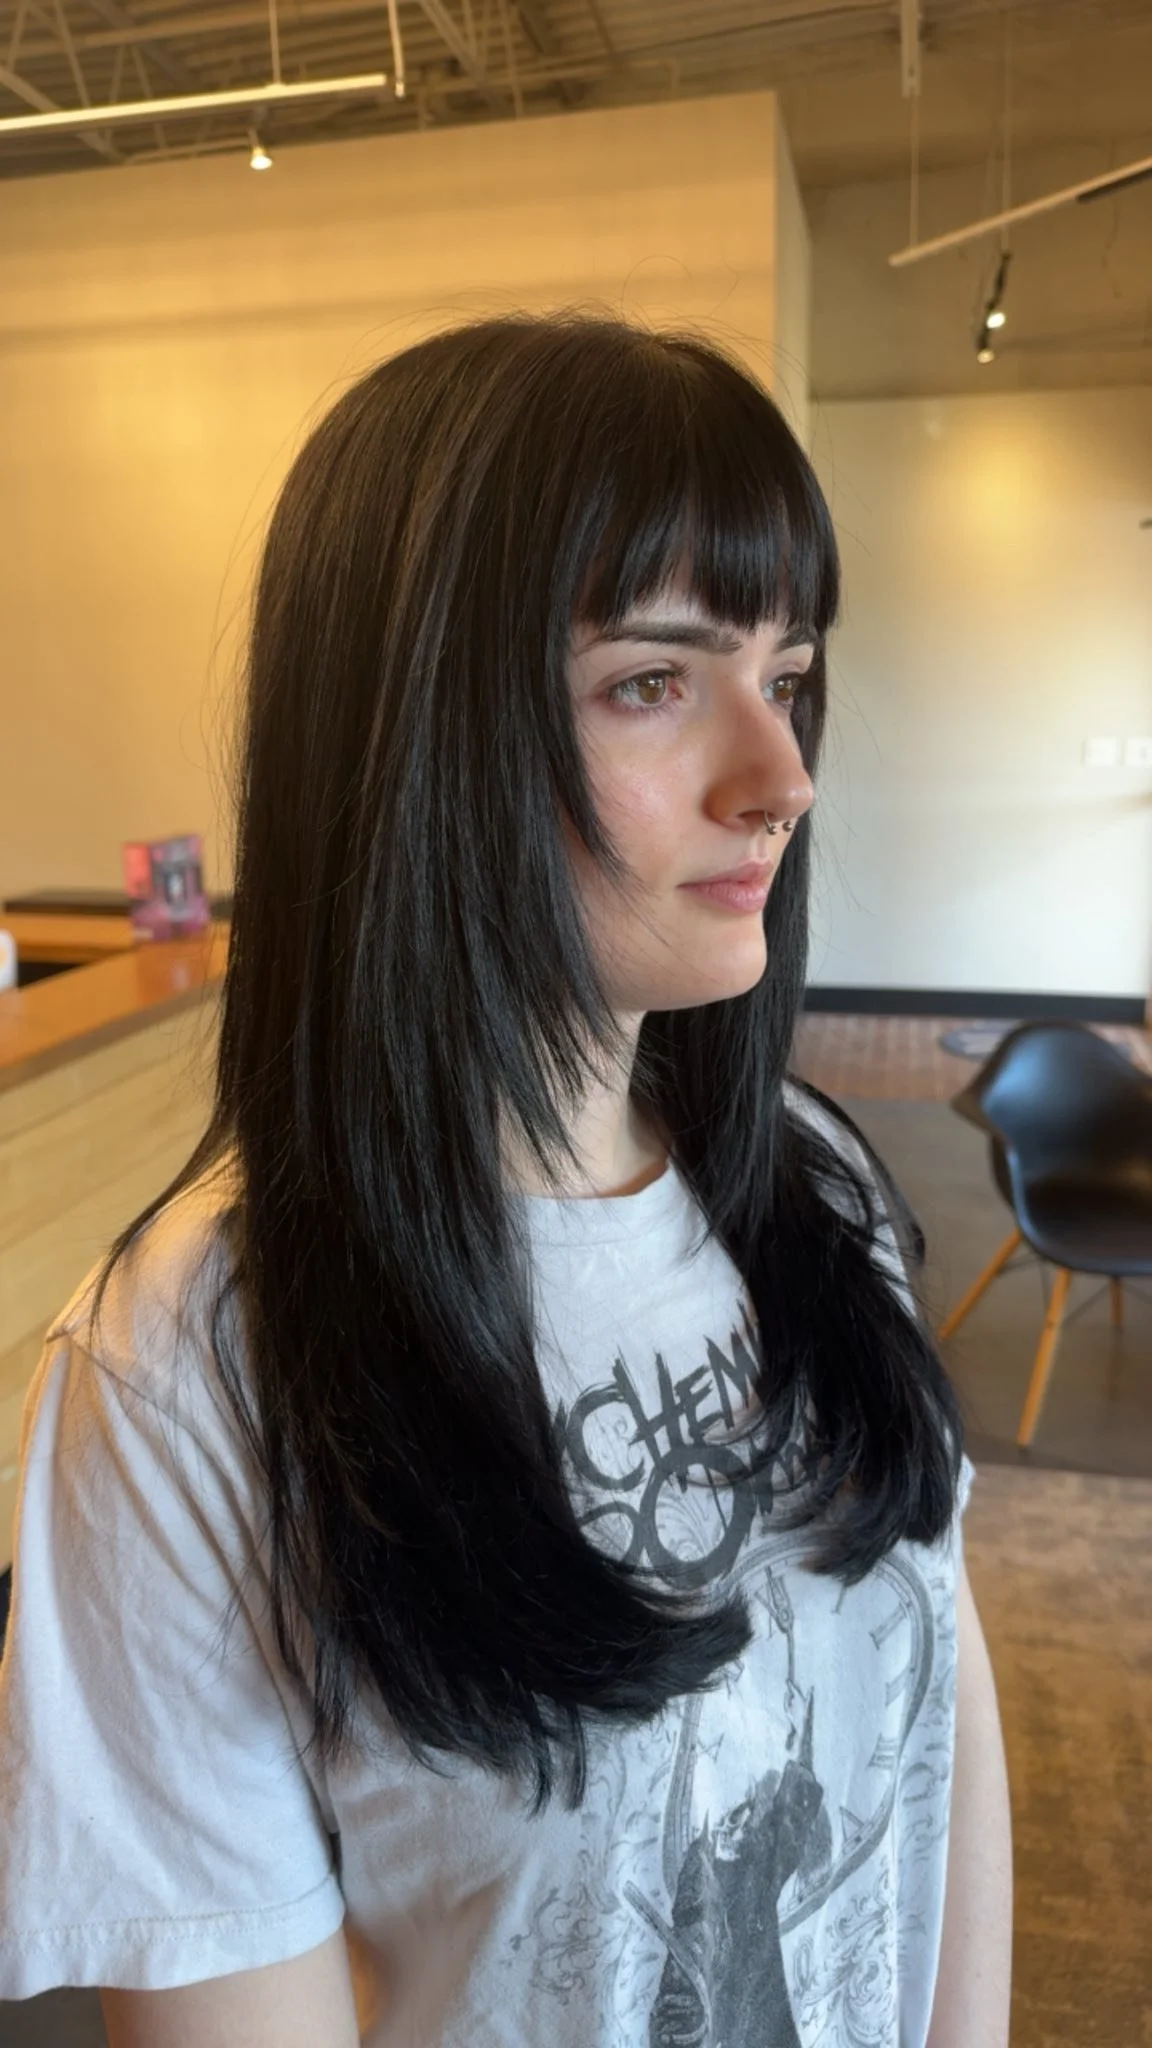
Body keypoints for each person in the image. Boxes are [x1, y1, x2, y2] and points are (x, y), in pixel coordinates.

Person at [0, 311, 1012, 2047]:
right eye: (652, 681)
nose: (781, 780)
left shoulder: (816, 1191)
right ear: (418, 744)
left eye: (786, 677)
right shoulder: (194, 1374)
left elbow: (939, 1730)